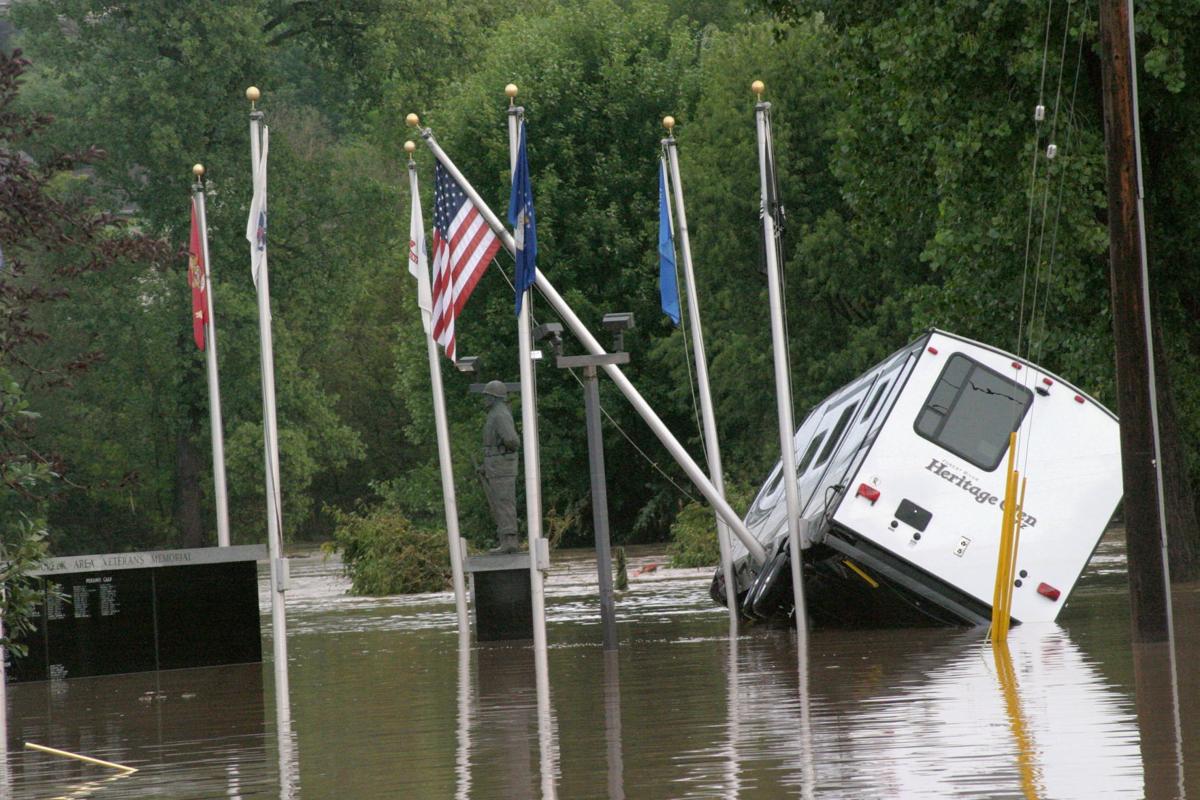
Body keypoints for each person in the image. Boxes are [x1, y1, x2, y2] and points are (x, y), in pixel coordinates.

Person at [480, 380, 520, 553]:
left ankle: (510, 541)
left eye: (487, 396)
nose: (485, 399)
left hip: (502, 467)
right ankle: (505, 538)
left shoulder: (500, 414)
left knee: (504, 502)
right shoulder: (495, 413)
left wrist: (498, 456)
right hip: (496, 466)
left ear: (494, 397)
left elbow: (512, 440)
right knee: (499, 502)